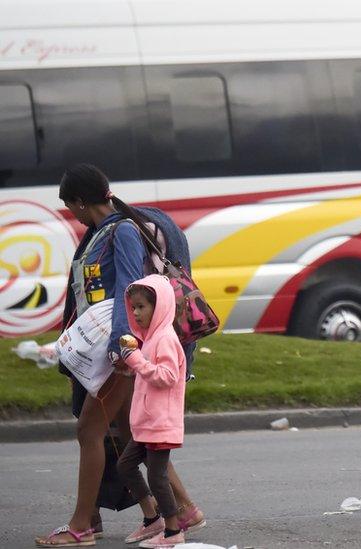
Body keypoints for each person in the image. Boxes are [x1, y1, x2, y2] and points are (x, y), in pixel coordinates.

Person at [36, 165, 203, 548]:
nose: (71, 213)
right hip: (106, 349)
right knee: (134, 432)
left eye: (69, 206)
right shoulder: (101, 234)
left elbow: (129, 289)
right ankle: (180, 510)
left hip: (117, 351)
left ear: (80, 201)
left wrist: (120, 346)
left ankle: (80, 528)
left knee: (90, 431)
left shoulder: (123, 231)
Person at [116, 276, 189, 547]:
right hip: (147, 422)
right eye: (133, 307)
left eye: (141, 307)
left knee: (157, 477)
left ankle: (173, 531)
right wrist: (129, 363)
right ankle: (152, 519)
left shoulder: (165, 339)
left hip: (161, 422)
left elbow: (167, 376)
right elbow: (149, 373)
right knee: (125, 465)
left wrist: (135, 361)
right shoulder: (150, 339)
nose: (135, 313)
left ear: (158, 307)